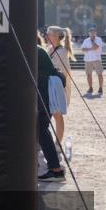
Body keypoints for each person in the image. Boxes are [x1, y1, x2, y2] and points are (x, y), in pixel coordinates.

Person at [36, 41, 66, 182]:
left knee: (41, 130)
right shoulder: (39, 50)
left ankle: (56, 169)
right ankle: (54, 168)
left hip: (42, 96)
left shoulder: (35, 51)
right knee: (40, 130)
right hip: (42, 95)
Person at [45, 26, 75, 159]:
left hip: (57, 87)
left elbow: (62, 71)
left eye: (49, 34)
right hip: (49, 85)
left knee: (57, 115)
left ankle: (58, 143)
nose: (47, 36)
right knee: (48, 115)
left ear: (56, 36)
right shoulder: (49, 49)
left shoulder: (62, 51)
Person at [82, 25, 104, 96]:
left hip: (97, 59)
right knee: (89, 75)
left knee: (100, 74)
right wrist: (90, 49)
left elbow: (96, 47)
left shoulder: (99, 39)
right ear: (89, 33)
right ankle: (90, 88)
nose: (92, 33)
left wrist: (92, 41)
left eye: (93, 32)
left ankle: (100, 88)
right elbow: (83, 49)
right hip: (88, 60)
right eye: (91, 32)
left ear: (96, 32)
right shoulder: (86, 40)